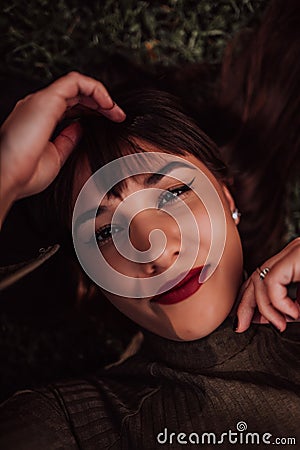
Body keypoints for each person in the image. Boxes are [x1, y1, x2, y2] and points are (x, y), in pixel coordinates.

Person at [0, 72, 299, 449]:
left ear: (226, 197)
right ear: (91, 275)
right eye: (105, 232)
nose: (156, 250)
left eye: (172, 195)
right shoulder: (70, 426)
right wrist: (5, 175)